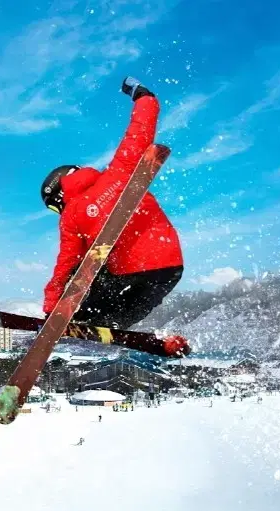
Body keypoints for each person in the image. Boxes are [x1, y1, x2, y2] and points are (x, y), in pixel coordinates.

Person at [40, 77, 184, 329]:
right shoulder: (119, 172)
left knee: (85, 273)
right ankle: (116, 326)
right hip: (169, 267)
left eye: (54, 207)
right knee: (124, 313)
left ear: (59, 194)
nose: (57, 212)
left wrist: (52, 306)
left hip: (124, 272)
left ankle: (89, 319)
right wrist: (143, 95)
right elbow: (138, 134)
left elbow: (66, 262)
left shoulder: (71, 215)